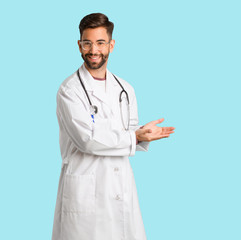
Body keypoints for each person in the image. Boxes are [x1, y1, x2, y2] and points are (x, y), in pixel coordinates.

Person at [51, 13, 175, 240]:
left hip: (121, 188)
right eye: (87, 43)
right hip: (85, 194)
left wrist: (143, 135)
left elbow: (129, 134)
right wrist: (134, 138)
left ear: (111, 45)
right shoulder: (69, 91)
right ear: (79, 46)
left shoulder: (125, 89)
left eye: (100, 43)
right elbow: (87, 140)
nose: (93, 50)